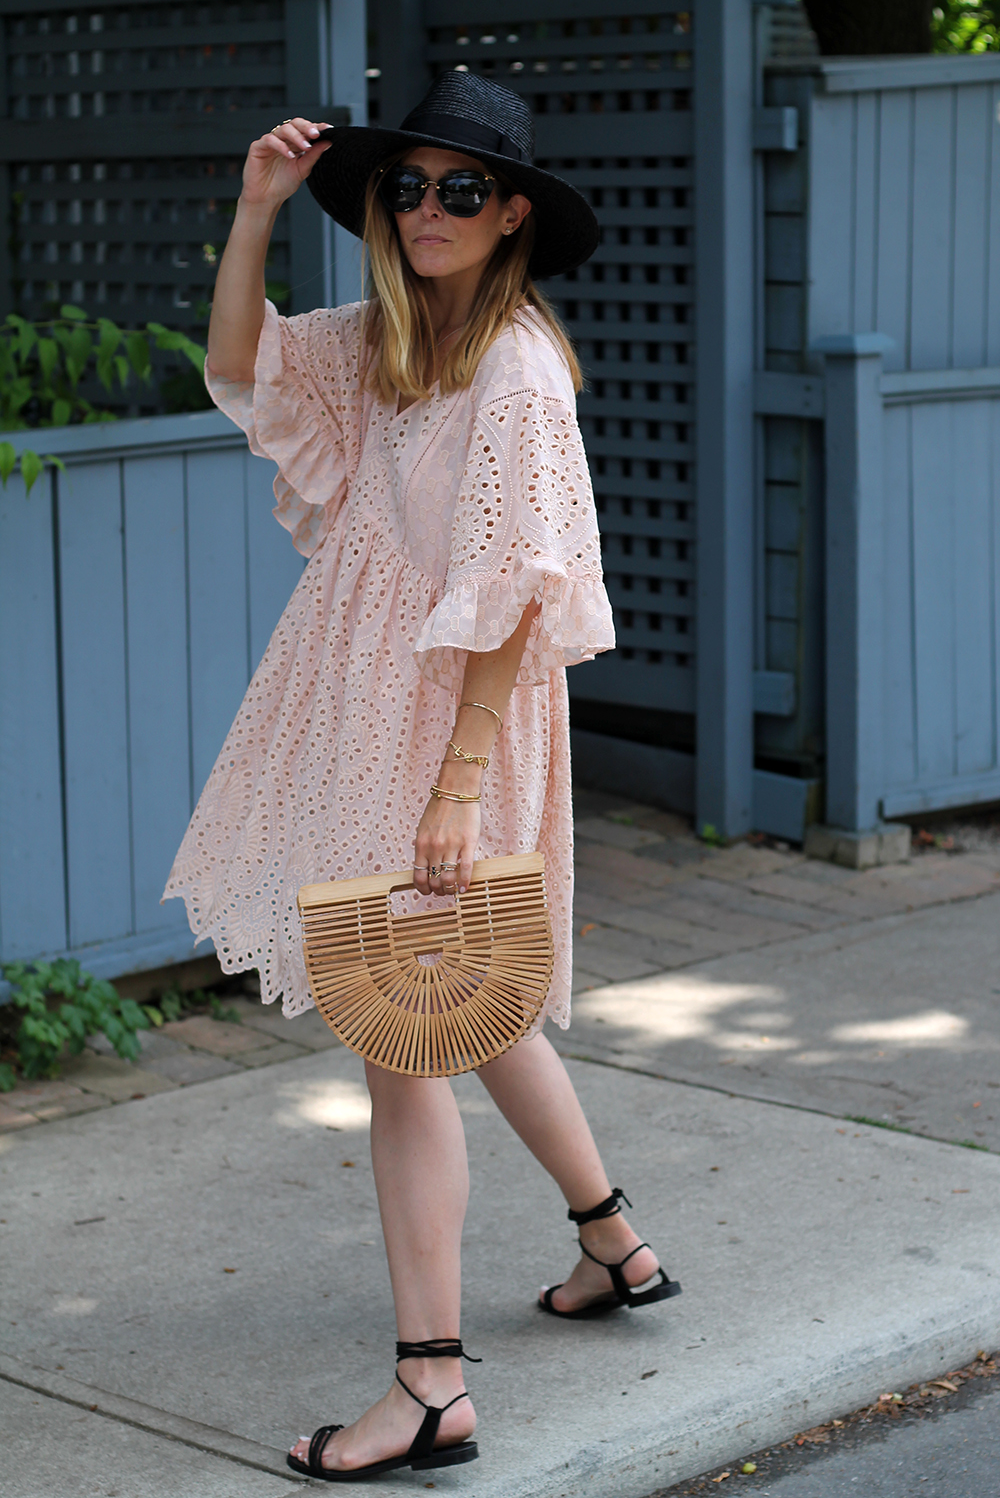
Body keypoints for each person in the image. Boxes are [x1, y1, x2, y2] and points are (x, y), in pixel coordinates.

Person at [164, 71, 681, 1483]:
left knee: (403, 1038)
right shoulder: (397, 341)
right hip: (369, 705)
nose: (429, 210)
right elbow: (242, 367)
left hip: (449, 725)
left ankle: (432, 1388)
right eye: (408, 187)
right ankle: (614, 1245)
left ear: (512, 214)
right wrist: (257, 211)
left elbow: (526, 592)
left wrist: (456, 786)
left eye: (462, 190)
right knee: (463, 992)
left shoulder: (514, 367)